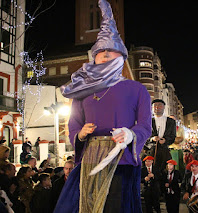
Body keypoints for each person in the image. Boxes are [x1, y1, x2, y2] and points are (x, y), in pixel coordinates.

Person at [55, 1, 151, 212]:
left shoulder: (137, 89)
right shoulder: (81, 91)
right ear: (94, 58)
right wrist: (79, 135)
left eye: (111, 51)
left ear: (122, 57)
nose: (105, 54)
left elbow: (145, 125)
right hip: (89, 161)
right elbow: (73, 124)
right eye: (101, 51)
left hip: (122, 162)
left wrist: (130, 134)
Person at [149, 99, 176, 171]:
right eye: (155, 106)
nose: (157, 107)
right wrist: (152, 139)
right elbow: (143, 136)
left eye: (160, 105)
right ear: (152, 108)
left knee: (167, 171)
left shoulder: (171, 121)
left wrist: (165, 140)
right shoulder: (147, 121)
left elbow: (173, 136)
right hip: (152, 151)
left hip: (165, 151)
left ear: (164, 107)